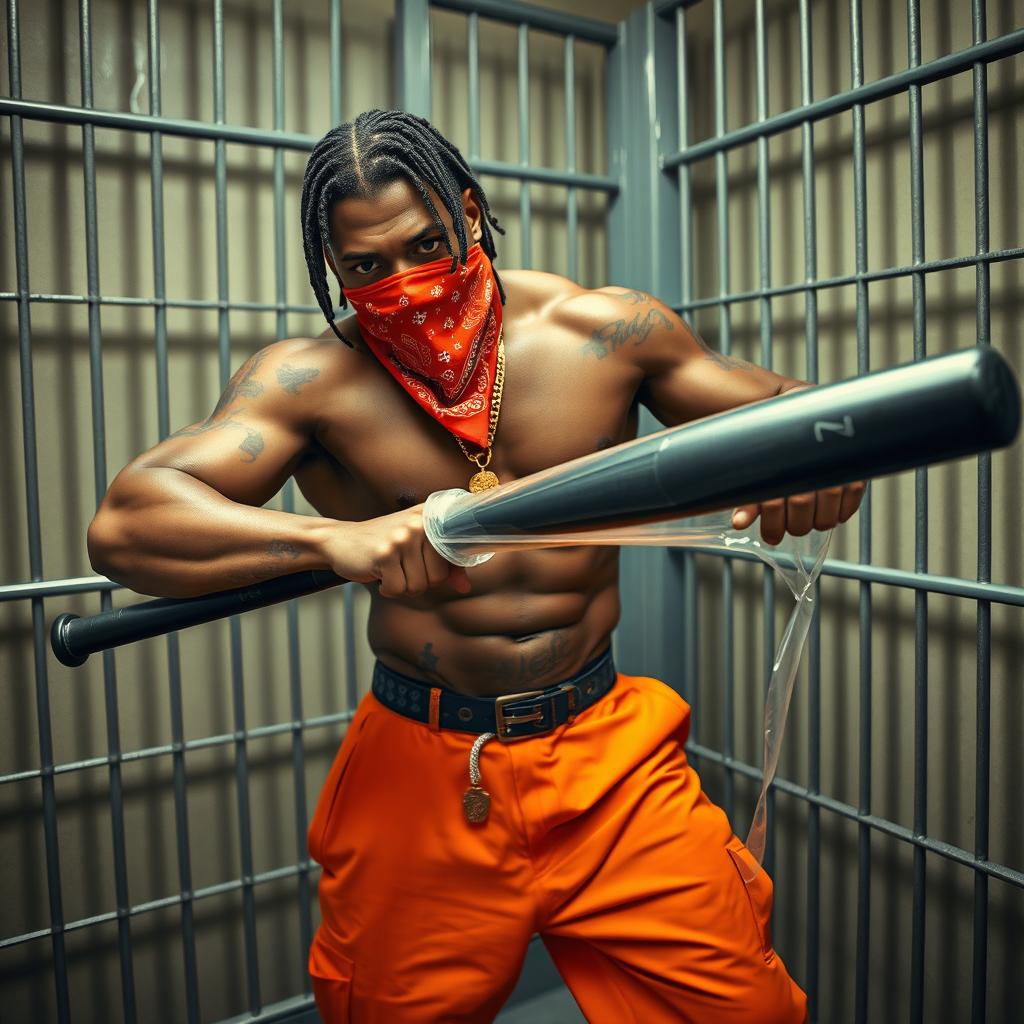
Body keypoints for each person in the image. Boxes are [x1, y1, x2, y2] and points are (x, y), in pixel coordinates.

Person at [87, 109, 864, 1023]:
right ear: (333, 270)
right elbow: (128, 521)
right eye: (367, 267)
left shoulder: (600, 332)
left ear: (469, 211)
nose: (406, 284)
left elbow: (798, 408)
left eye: (426, 245)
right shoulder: (313, 382)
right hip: (423, 769)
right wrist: (331, 542)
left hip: (605, 757)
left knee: (749, 1013)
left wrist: (826, 458)